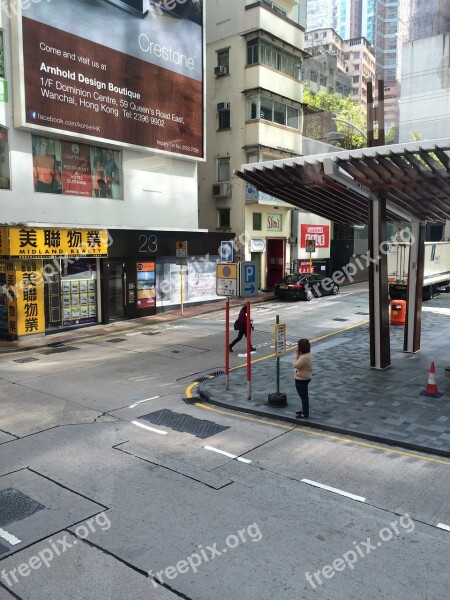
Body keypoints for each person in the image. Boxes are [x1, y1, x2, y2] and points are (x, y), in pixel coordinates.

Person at [293, 338, 312, 419]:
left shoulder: (303, 357)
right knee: (304, 396)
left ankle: (305, 414)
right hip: (306, 377)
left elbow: (295, 365)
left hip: (301, 379)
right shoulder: (308, 354)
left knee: (303, 397)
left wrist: (296, 355)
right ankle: (304, 410)